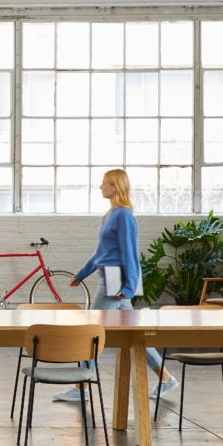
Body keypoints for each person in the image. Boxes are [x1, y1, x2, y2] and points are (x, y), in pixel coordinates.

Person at [52, 168, 177, 402]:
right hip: (107, 276)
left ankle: (81, 388)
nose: (101, 186)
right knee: (134, 336)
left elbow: (130, 253)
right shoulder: (109, 215)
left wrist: (128, 287)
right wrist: (81, 274)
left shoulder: (124, 215)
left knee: (91, 330)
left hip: (116, 280)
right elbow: (101, 252)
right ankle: (166, 378)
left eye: (104, 183)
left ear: (115, 186)